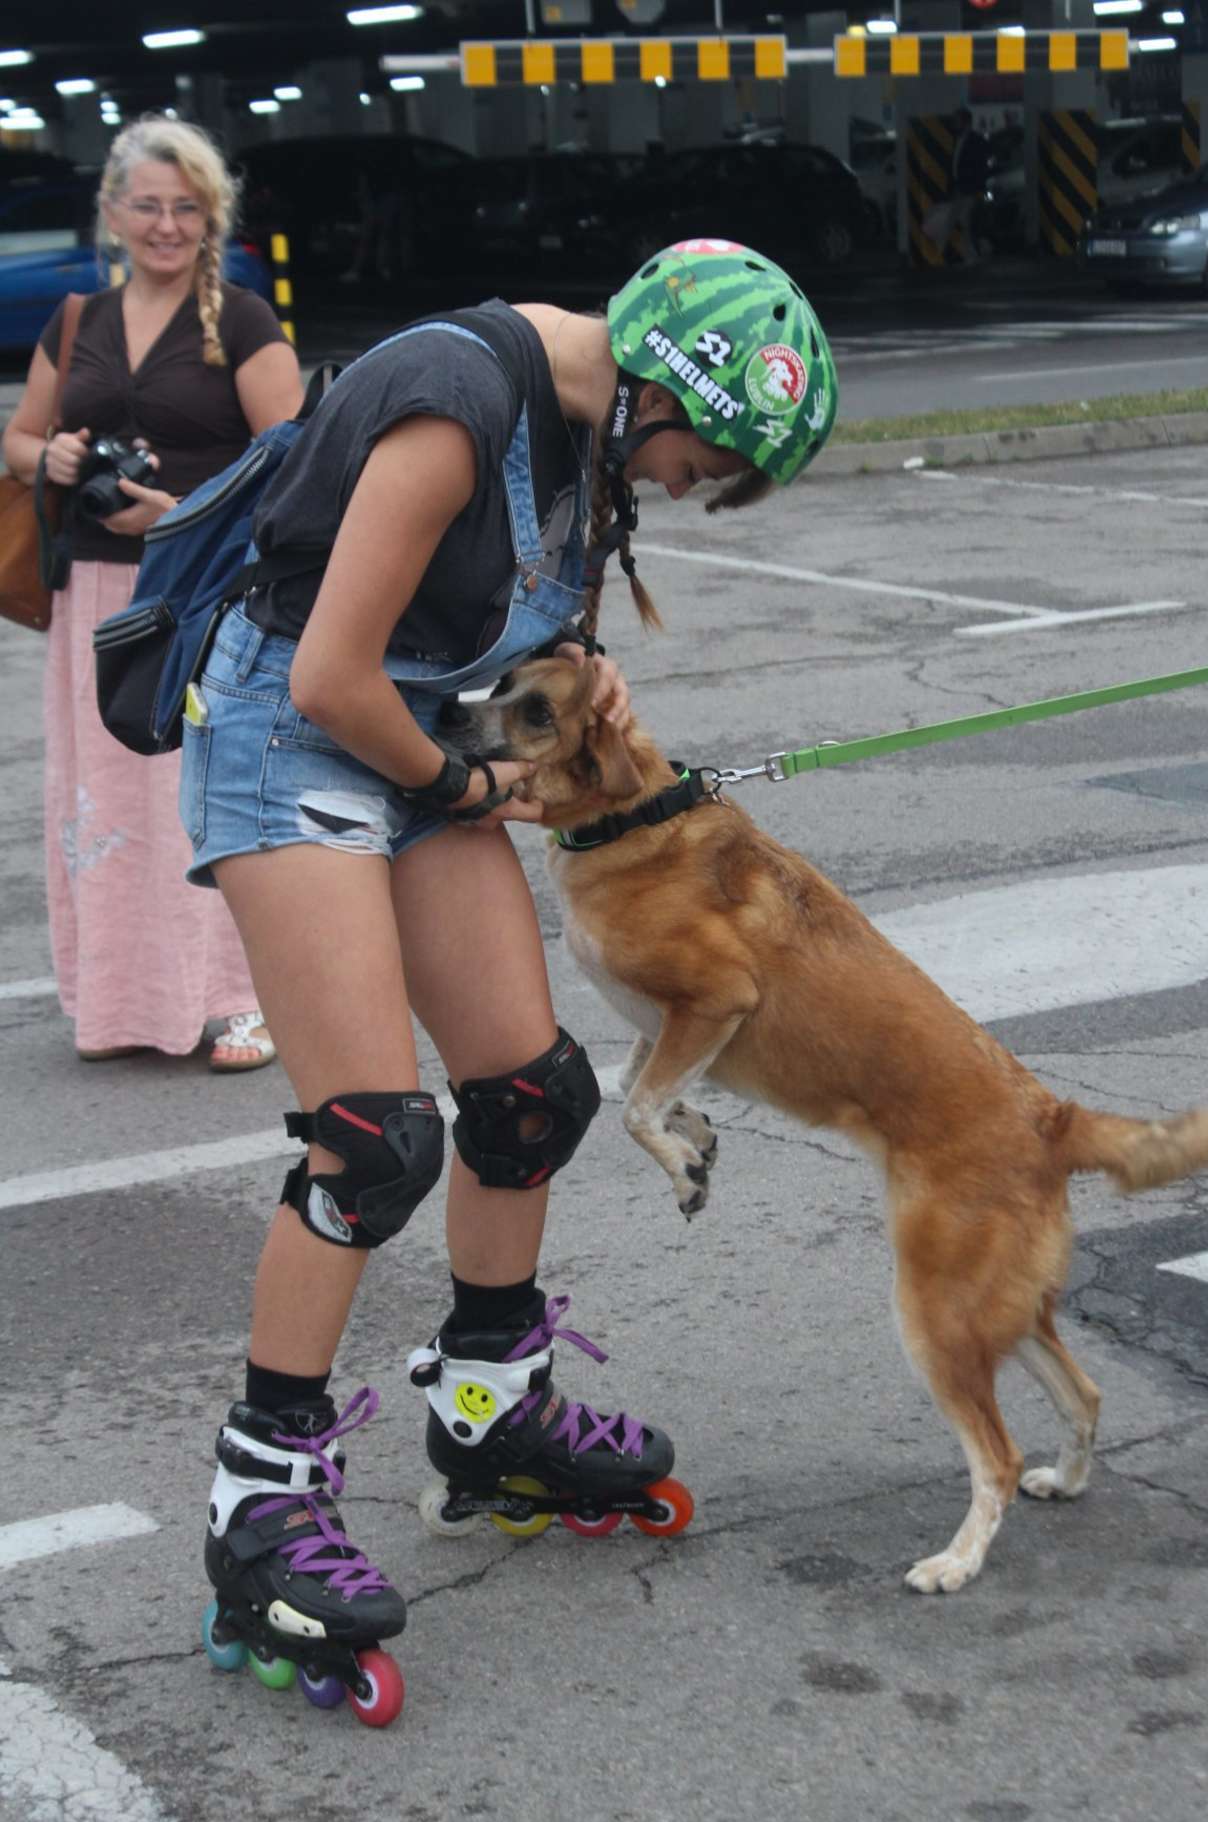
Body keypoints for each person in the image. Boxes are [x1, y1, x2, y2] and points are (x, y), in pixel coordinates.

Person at [190, 238, 839, 1707]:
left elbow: (519, 632)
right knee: (371, 1138)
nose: (692, 489)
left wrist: (586, 687)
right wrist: (474, 793)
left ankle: (487, 1413)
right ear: (658, 387)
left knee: (528, 1095)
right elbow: (328, 678)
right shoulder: (451, 400)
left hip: (419, 736)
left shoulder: (586, 436)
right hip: (298, 737)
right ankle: (261, 1501)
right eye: (703, 461)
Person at [2, 116, 303, 1067]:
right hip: (96, 598)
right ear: (113, 214)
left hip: (203, 600)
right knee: (109, 802)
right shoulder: (76, 321)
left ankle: (241, 999)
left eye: (186, 207)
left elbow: (294, 467)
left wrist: (179, 512)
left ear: (210, 218)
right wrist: (42, 454)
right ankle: (125, 1002)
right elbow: (16, 438)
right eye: (148, 206)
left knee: (201, 794)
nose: (166, 225)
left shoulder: (247, 322)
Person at [927, 107, 992, 266]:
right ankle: (970, 253)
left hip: (969, 189)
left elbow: (981, 167)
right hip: (959, 188)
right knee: (959, 222)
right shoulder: (957, 139)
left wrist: (977, 186)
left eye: (957, 121)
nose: (954, 124)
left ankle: (967, 254)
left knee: (964, 223)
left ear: (966, 122)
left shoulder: (976, 141)